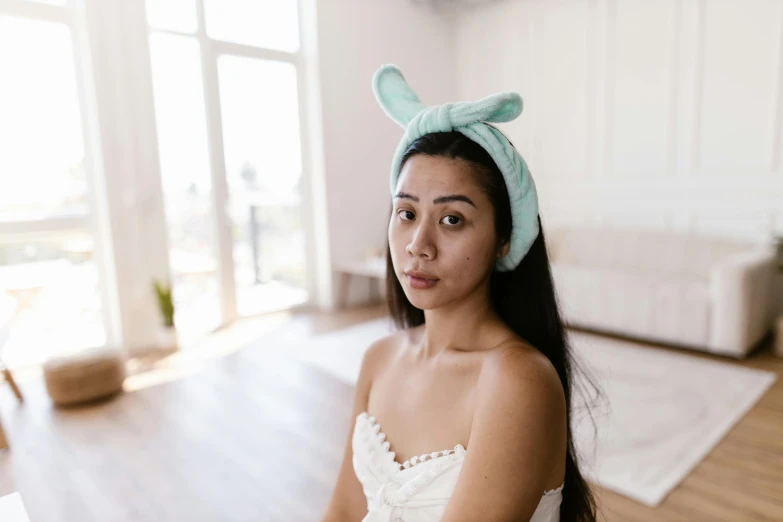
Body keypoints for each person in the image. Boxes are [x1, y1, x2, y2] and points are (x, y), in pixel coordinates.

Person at [320, 64, 602, 522]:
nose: (418, 245)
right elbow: (345, 509)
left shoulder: (517, 381)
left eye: (452, 219)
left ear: (504, 239)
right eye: (406, 213)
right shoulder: (378, 359)